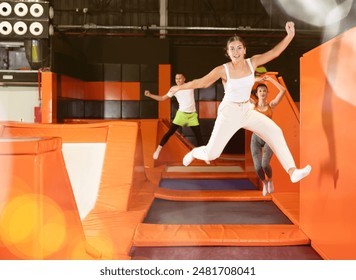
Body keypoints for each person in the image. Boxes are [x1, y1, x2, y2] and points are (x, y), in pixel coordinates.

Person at [169, 21, 311, 184]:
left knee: (276, 131)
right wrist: (180, 88)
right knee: (212, 154)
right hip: (229, 113)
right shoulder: (223, 70)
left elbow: (274, 53)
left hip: (247, 110)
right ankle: (194, 153)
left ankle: (292, 171)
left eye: (239, 48)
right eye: (232, 49)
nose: (235, 51)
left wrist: (290, 35)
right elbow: (201, 82)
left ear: (245, 50)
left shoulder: (253, 63)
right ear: (227, 52)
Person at [145, 73, 204, 160]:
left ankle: (203, 156)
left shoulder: (190, 85)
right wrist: (150, 95)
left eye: (180, 78)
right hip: (181, 114)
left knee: (199, 136)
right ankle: (158, 150)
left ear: (184, 79)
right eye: (176, 78)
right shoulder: (174, 89)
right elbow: (162, 98)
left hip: (192, 115)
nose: (178, 80)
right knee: (170, 132)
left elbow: (202, 82)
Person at [250, 76, 286, 196]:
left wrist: (270, 80)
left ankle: (270, 180)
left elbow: (283, 91)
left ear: (267, 93)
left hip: (268, 138)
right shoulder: (252, 105)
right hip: (256, 138)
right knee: (257, 167)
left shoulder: (271, 105)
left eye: (265, 91)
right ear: (257, 93)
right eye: (260, 91)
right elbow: (242, 92)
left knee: (265, 164)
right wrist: (254, 81)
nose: (262, 93)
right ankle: (265, 183)